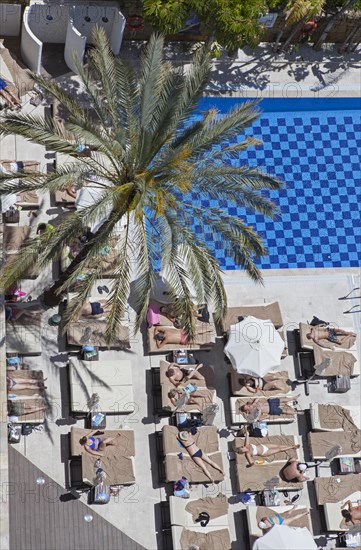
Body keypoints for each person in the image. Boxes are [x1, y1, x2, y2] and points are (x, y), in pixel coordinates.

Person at [235, 429, 300, 466]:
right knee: (279, 449)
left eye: (242, 447)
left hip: (264, 446)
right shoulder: (247, 454)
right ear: (243, 452)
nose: (244, 448)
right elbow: (251, 463)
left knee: (278, 446)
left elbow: (247, 435)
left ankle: (292, 446)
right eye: (243, 450)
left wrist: (245, 429)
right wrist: (249, 465)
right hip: (264, 452)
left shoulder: (246, 445)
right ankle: (293, 447)